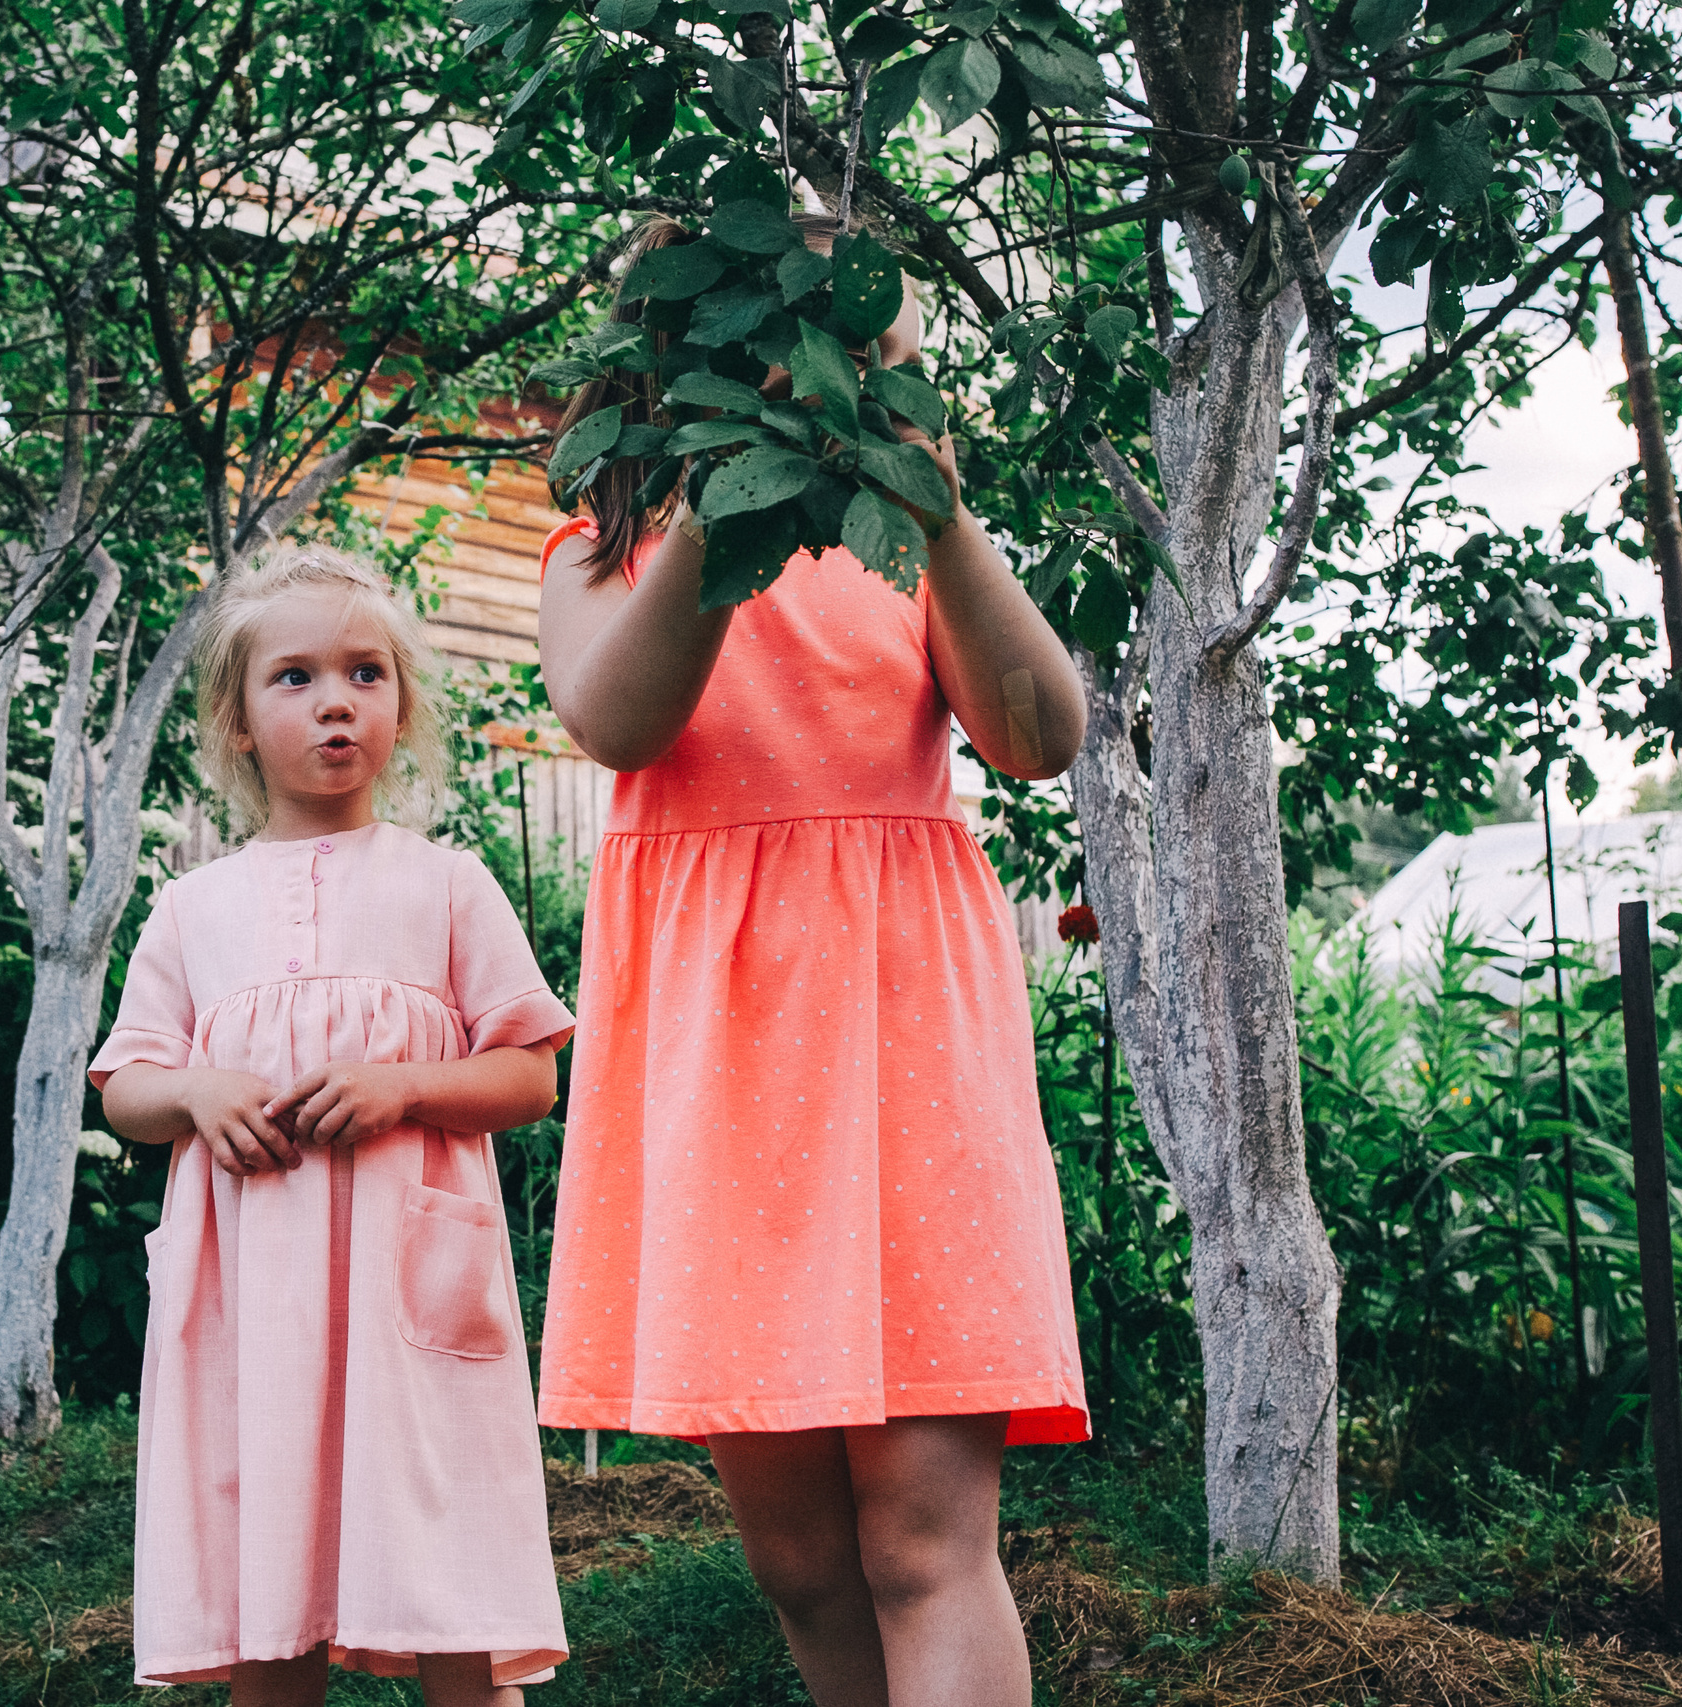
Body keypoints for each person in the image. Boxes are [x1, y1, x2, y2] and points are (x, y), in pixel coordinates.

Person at [535, 216, 1091, 1707]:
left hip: (900, 1035)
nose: (808, 367)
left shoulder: (905, 549)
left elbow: (1041, 736)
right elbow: (618, 721)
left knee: (923, 1537)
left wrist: (945, 503)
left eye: (854, 336)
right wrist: (725, 503)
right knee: (799, 1559)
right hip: (717, 1061)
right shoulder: (607, 554)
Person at [93, 542, 575, 1707]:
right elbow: (128, 1091)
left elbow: (528, 1078)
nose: (334, 702)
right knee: (271, 1579)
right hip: (255, 1305)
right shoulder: (192, 909)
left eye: (364, 672)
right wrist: (199, 1093)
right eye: (294, 677)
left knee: (447, 1564)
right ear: (239, 722)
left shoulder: (447, 886)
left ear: (400, 708)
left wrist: (405, 1087)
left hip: (411, 1296)